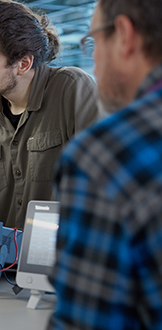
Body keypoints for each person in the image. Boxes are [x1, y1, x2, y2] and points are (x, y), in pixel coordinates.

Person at [49, 0, 162, 328]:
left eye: (94, 41)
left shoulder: (107, 154)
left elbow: (87, 322)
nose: (93, 63)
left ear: (125, 35)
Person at [0, 0, 100, 229]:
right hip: (5, 262)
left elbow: (101, 186)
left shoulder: (72, 89)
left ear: (23, 64)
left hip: (63, 257)